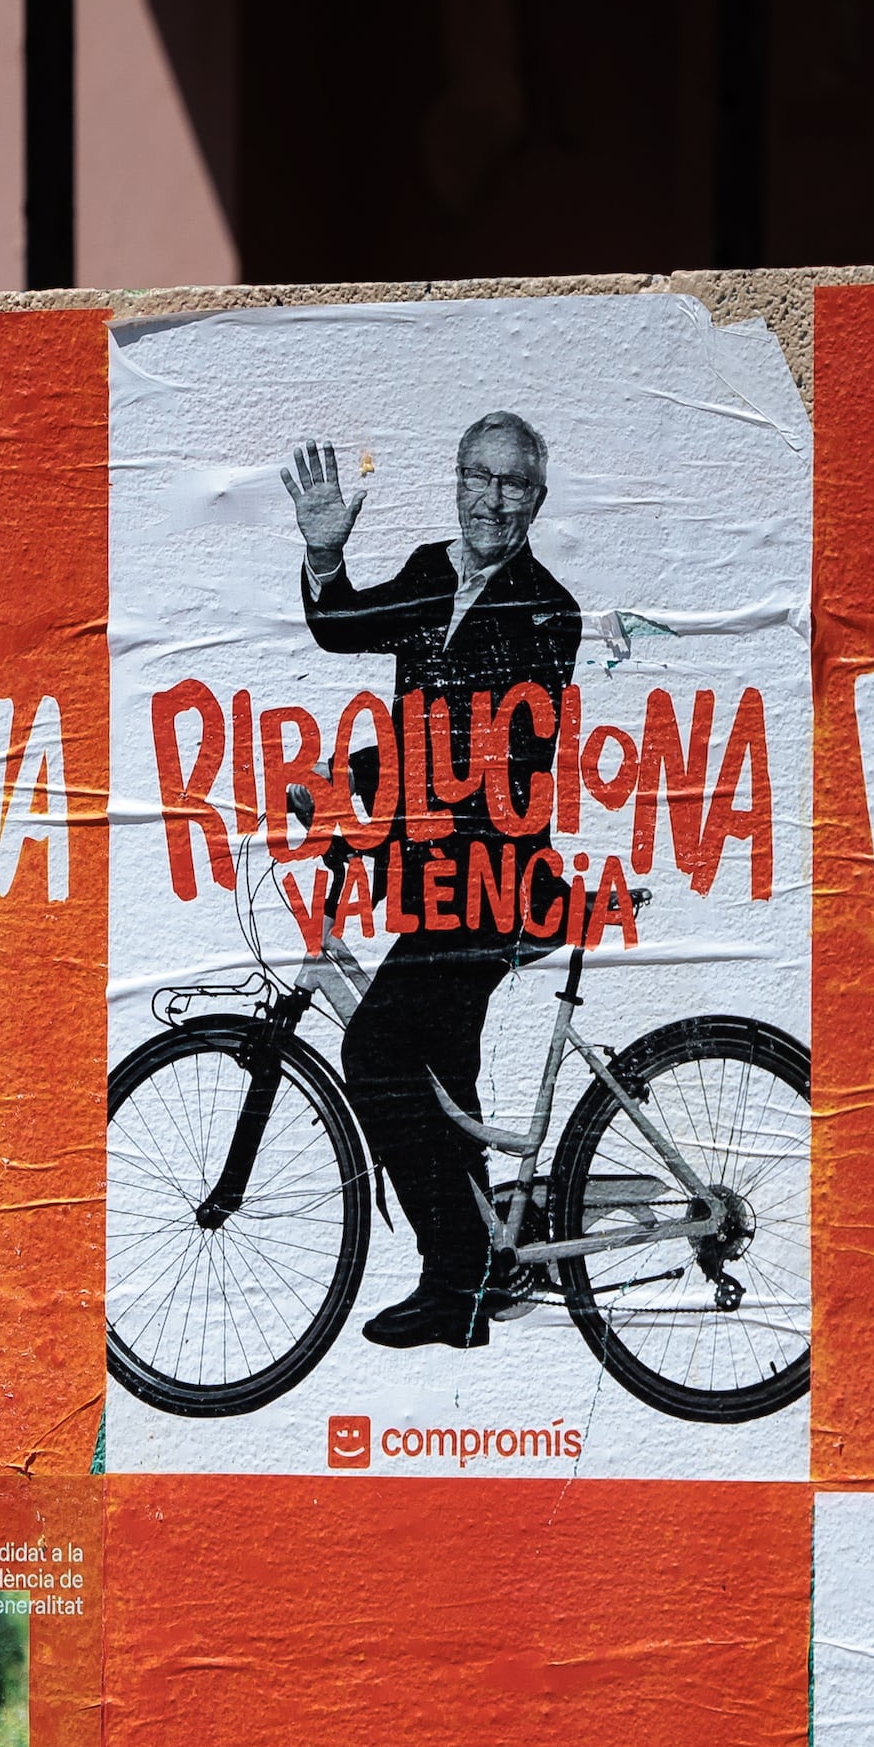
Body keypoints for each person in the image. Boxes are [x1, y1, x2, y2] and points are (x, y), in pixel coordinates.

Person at [281, 412, 584, 1351]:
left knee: (376, 1052)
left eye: (512, 484)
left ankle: (453, 1282)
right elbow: (341, 628)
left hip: (497, 880)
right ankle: (476, 1275)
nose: (491, 499)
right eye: (477, 477)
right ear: (456, 480)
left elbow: (481, 758)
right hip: (434, 880)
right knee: (443, 1077)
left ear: (536, 499)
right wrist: (326, 558)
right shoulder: (426, 571)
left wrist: (359, 786)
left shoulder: (548, 610)